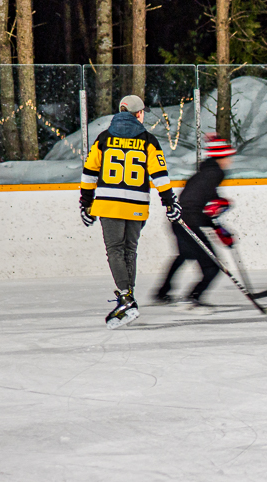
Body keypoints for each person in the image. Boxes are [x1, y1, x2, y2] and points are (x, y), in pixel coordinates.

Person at [79, 94, 180, 327]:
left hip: (108, 204)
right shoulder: (148, 140)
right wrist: (169, 202)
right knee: (129, 250)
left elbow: (89, 172)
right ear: (139, 114)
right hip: (136, 204)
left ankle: (126, 298)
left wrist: (86, 203)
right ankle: (129, 297)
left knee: (114, 250)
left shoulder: (104, 138)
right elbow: (159, 175)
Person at [156, 132, 235, 309]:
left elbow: (202, 204)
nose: (231, 159)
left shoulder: (206, 172)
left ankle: (162, 292)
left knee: (186, 254)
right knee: (213, 267)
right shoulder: (215, 173)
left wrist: (218, 226)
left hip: (180, 221)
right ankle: (193, 297)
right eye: (228, 155)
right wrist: (218, 211)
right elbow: (203, 207)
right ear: (221, 156)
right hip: (187, 223)